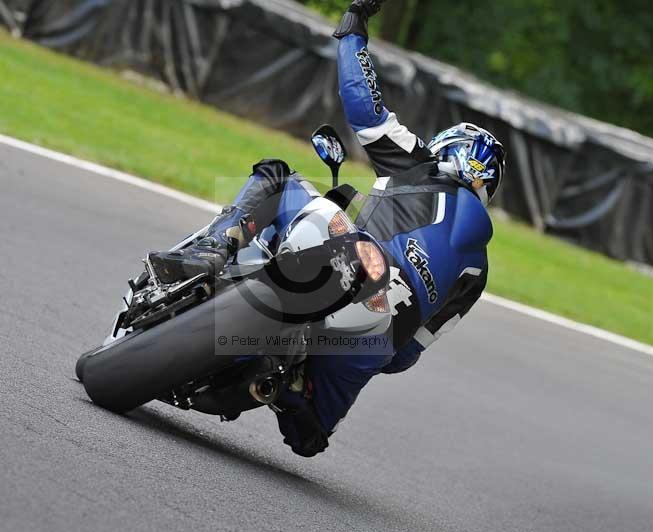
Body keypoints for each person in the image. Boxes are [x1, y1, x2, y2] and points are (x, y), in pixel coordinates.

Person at [149, 0, 505, 457]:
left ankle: (213, 251)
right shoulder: (478, 272)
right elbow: (410, 354)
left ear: (449, 150)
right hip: (376, 340)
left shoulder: (423, 166)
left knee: (277, 177)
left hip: (352, 257)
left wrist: (352, 28)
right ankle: (290, 390)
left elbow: (364, 106)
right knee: (310, 435)